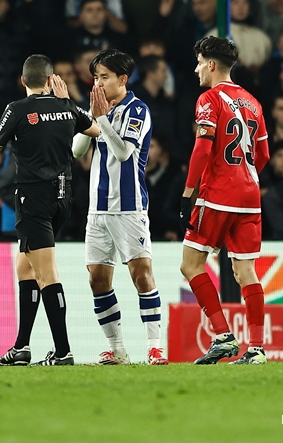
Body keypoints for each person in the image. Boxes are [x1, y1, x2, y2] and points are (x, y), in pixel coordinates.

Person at [0, 55, 98, 366]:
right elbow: (95, 130)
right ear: (51, 79)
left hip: (33, 199)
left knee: (46, 273)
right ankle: (22, 347)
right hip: (63, 197)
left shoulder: (17, 109)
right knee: (25, 268)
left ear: (23, 80)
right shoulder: (67, 106)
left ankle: (63, 351)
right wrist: (67, 108)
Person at [71, 49, 167, 365]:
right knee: (97, 279)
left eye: (105, 77)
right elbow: (77, 151)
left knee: (141, 275)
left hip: (129, 208)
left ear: (122, 79)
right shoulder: (98, 109)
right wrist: (87, 117)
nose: (98, 83)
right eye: (95, 77)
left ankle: (155, 348)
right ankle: (118, 350)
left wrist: (99, 118)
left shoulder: (137, 110)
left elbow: (124, 152)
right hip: (97, 209)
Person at [178, 36, 270, 365]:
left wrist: (189, 192)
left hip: (217, 194)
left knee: (190, 264)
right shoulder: (253, 103)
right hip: (250, 195)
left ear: (212, 65)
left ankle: (222, 336)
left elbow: (203, 147)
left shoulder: (209, 99)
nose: (197, 68)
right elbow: (263, 154)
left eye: (200, 62)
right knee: (246, 271)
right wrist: (245, 177)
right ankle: (256, 348)